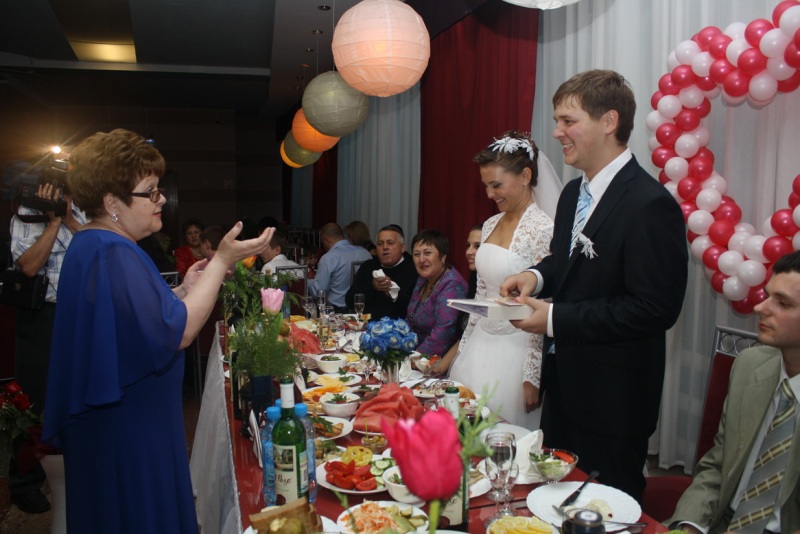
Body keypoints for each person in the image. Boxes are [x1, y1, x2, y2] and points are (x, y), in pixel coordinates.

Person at [42, 129, 273, 532]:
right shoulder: (114, 250)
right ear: (112, 202)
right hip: (129, 429)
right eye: (150, 192)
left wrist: (183, 290)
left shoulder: (92, 243)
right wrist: (221, 262)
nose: (161, 199)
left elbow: (130, 318)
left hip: (115, 422)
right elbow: (177, 332)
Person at [500, 70, 688, 502]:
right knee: (552, 501)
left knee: (605, 509)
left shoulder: (650, 204)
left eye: (568, 121)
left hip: (614, 399)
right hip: (564, 387)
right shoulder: (571, 194)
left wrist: (555, 319)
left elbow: (654, 308)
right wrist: (536, 276)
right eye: (557, 121)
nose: (556, 132)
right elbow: (565, 262)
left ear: (609, 121)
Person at [669, 250, 800, 534]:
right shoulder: (750, 366)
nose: (760, 307)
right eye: (768, 295)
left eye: (782, 303)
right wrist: (690, 525)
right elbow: (718, 466)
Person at [446, 132, 557, 428]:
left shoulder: (543, 228)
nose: (489, 194)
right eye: (485, 186)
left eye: (496, 185)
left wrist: (531, 375)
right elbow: (481, 295)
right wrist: (464, 348)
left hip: (515, 350)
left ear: (525, 176)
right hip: (480, 343)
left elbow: (542, 303)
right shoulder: (490, 224)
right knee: (464, 429)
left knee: (502, 435)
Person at [9, 181, 86, 513]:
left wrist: (67, 218)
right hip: (41, 316)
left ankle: (74, 468)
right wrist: (52, 222)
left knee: (79, 393)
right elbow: (28, 265)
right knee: (34, 399)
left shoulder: (82, 212)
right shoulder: (27, 215)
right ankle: (24, 483)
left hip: (80, 314)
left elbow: (99, 248)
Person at [406, 229, 467, 356]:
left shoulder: (452, 285)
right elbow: (409, 320)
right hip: (412, 352)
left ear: (443, 256)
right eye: (416, 254)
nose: (421, 259)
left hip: (439, 359)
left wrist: (414, 358)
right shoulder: (423, 279)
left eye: (427, 253)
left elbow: (443, 333)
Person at [345, 224, 418, 320]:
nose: (385, 247)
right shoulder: (368, 266)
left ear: (402, 247)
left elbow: (417, 310)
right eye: (380, 243)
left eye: (390, 243)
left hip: (400, 326)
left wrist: (394, 294)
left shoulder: (414, 269)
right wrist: (372, 287)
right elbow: (349, 301)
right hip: (367, 325)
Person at [308, 223, 371, 312]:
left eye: (322, 243)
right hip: (362, 309)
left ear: (326, 241)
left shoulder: (329, 258)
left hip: (337, 312)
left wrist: (306, 280)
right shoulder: (365, 253)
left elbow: (319, 292)